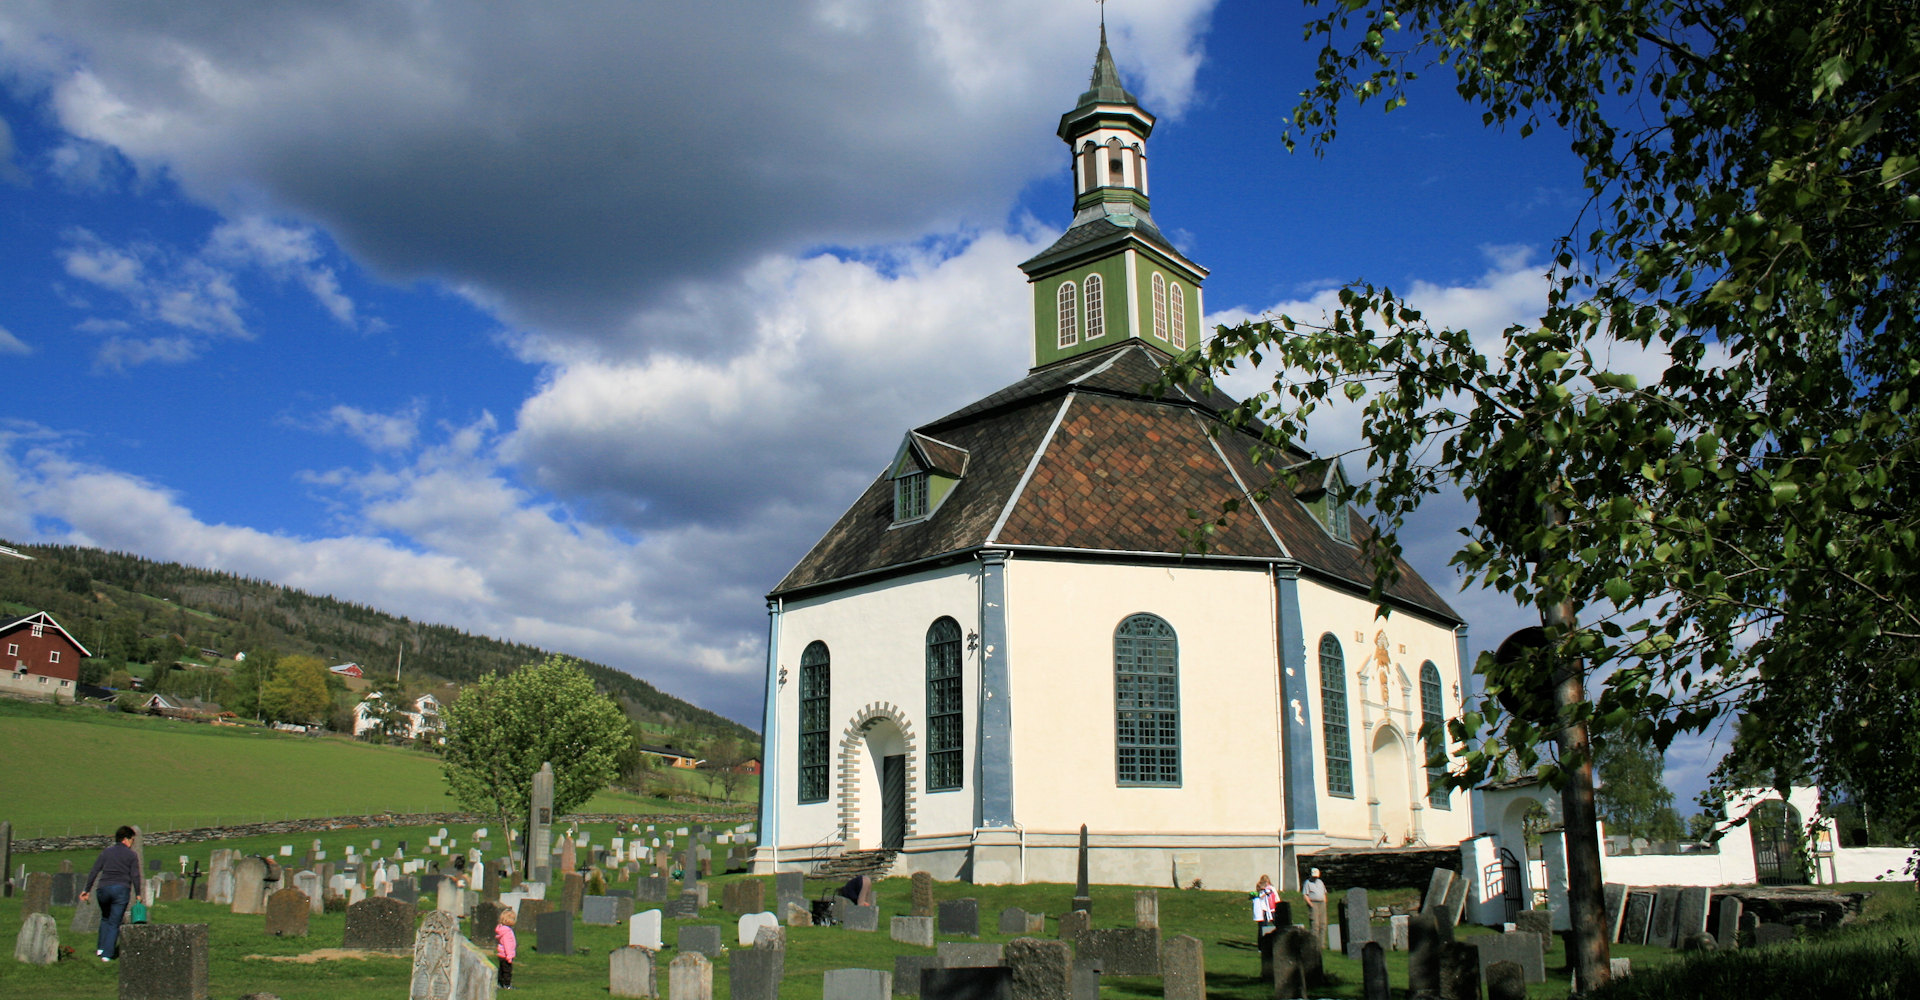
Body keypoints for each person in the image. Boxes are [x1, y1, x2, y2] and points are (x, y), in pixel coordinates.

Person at [78, 826, 143, 961]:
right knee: (114, 922)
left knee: (105, 918)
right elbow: (135, 875)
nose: (132, 843)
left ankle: (100, 948)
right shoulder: (131, 855)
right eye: (132, 840)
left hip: (103, 889)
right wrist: (138, 893)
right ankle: (107, 955)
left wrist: (87, 890)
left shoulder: (106, 852)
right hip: (120, 889)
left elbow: (94, 871)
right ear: (126, 839)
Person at [1303, 867, 1329, 947]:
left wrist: (1324, 901)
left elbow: (1324, 892)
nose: (1315, 878)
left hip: (1322, 904)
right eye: (1313, 876)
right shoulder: (1307, 883)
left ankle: (1322, 944)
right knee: (1315, 924)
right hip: (1313, 903)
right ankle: (1314, 943)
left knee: (1323, 924)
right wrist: (1310, 904)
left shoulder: (1320, 882)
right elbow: (1305, 895)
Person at [1251, 874, 1281, 941]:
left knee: (1277, 925)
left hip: (1272, 909)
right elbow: (1257, 896)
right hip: (1263, 910)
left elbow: (1276, 898)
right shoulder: (1260, 891)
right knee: (1263, 927)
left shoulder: (1271, 888)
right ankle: (1262, 943)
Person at [495, 907, 518, 990]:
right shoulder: (507, 932)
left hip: (501, 954)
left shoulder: (501, 930)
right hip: (506, 955)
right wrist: (509, 956)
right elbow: (507, 945)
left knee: (501, 970)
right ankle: (507, 984)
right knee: (507, 971)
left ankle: (500, 983)